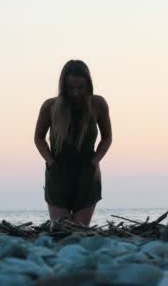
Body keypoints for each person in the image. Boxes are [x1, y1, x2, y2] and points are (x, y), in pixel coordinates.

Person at [34, 60, 113, 229]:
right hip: (58, 171)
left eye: (80, 88)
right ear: (63, 87)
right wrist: (50, 162)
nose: (76, 93)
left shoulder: (98, 104)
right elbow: (38, 138)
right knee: (61, 229)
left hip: (87, 172)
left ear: (88, 86)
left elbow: (107, 138)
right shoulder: (50, 106)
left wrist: (95, 161)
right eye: (71, 88)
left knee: (79, 229)